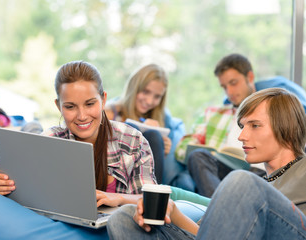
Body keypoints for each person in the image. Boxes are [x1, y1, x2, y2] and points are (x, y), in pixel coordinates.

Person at [107, 87, 306, 239]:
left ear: (286, 128)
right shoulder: (259, 184)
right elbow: (204, 233)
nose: (242, 136)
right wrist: (174, 211)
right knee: (123, 217)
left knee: (241, 180)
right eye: (242, 126)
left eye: (254, 126)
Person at [0, 61, 157, 207]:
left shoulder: (132, 140)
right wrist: (1, 188)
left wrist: (118, 198)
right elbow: (30, 198)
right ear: (58, 106)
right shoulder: (49, 141)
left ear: (103, 100)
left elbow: (152, 200)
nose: (82, 116)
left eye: (90, 104)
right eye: (70, 107)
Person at [174, 53, 306, 197]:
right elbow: (182, 148)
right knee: (195, 160)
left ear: (249, 77)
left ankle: (219, 209)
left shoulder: (275, 109)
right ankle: (219, 207)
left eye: (233, 83)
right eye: (224, 87)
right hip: (227, 169)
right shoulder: (216, 114)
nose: (229, 92)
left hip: (256, 172)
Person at [104, 64, 189, 189]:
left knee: (153, 136)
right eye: (146, 92)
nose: (149, 101)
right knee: (131, 127)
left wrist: (163, 148)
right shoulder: (109, 113)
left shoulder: (159, 121)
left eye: (157, 96)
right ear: (134, 88)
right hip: (114, 177)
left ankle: (152, 198)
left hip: (145, 183)